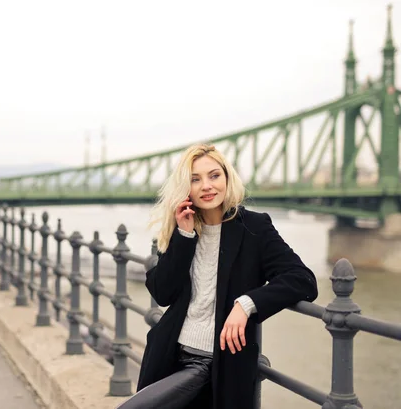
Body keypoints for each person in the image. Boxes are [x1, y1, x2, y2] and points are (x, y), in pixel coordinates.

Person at [117, 144, 318, 409]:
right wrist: (185, 236)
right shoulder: (185, 230)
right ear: (185, 189)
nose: (207, 186)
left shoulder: (254, 228)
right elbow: (162, 293)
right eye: (195, 179)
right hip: (170, 353)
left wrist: (246, 304)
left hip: (216, 361)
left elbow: (302, 280)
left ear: (227, 177)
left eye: (214, 175)